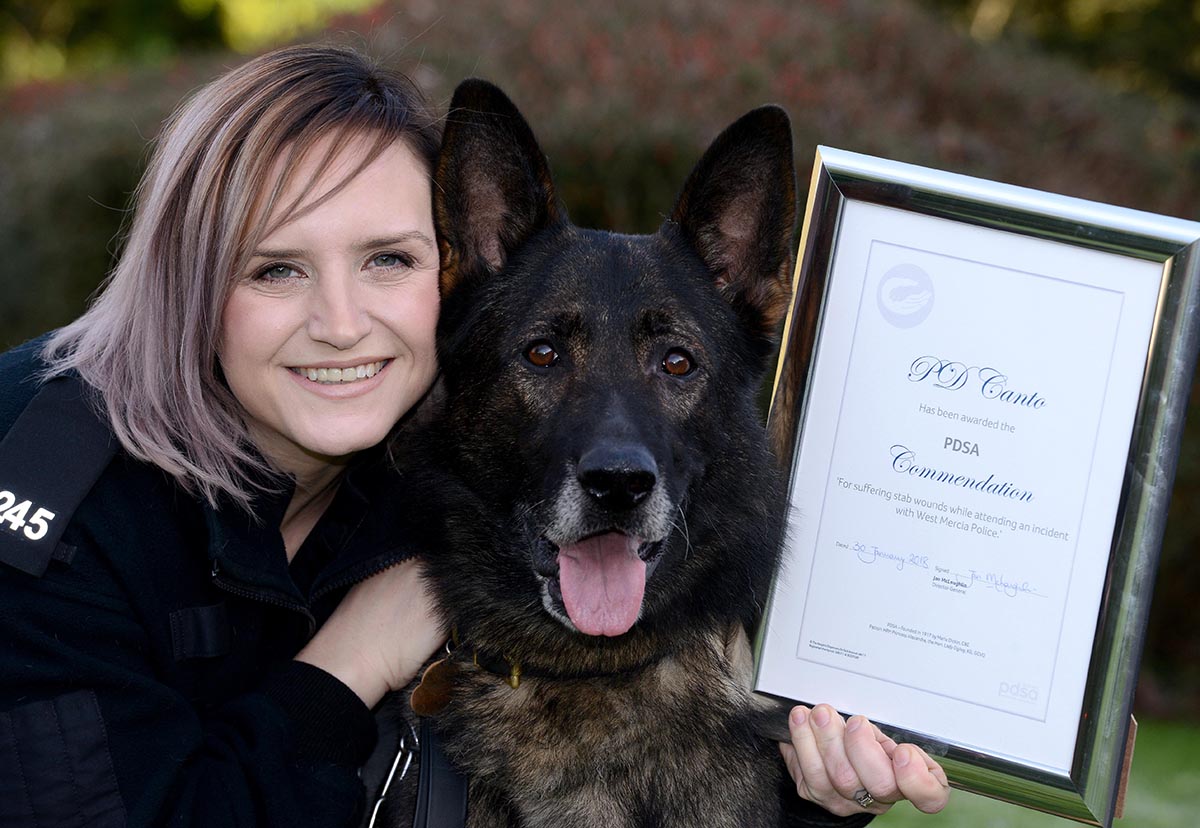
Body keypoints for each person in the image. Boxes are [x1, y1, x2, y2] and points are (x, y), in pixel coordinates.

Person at [0, 43, 947, 827]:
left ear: (446, 270)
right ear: (190, 278)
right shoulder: (50, 489)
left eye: (387, 260)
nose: (341, 322)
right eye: (276, 269)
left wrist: (819, 801)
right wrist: (351, 663)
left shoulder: (427, 472)